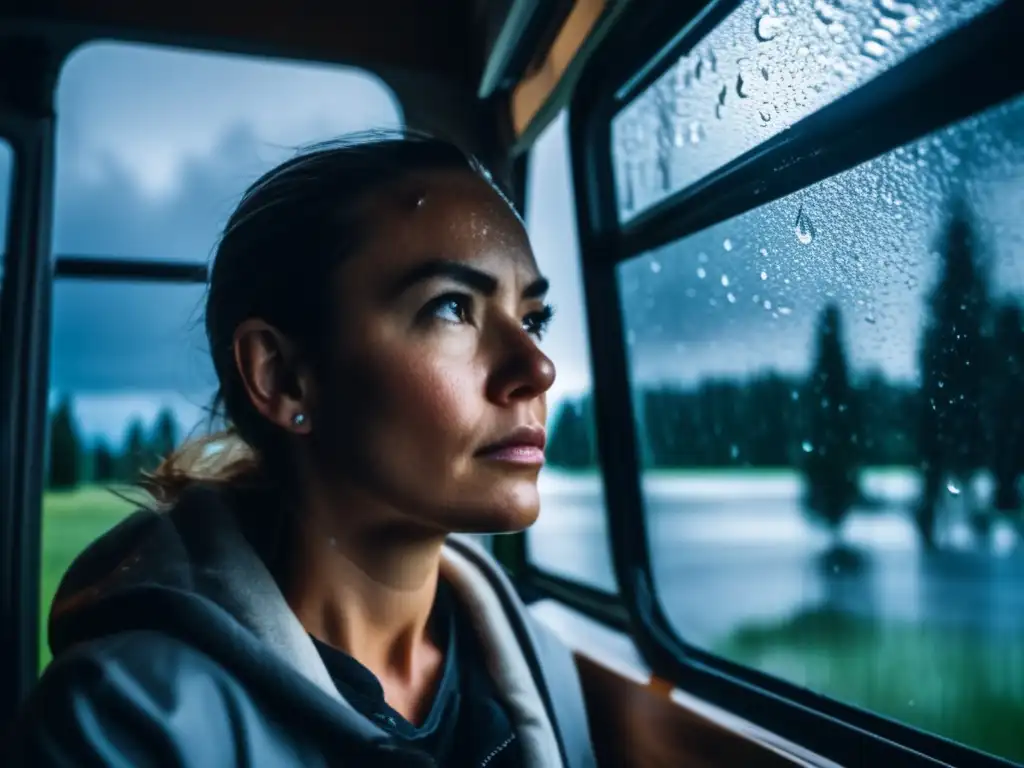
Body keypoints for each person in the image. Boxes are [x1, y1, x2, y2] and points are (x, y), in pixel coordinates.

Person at [4, 131, 596, 767]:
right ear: (282, 376)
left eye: (533, 318)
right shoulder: (117, 726)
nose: (536, 368)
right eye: (451, 307)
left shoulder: (545, 670)